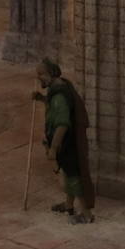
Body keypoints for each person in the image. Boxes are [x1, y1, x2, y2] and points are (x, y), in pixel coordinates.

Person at [32, 58, 94, 224]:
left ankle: (87, 214)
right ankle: (68, 205)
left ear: (52, 73)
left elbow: (62, 124)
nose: (39, 78)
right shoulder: (59, 87)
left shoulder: (59, 96)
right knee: (67, 174)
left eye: (41, 74)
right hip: (66, 143)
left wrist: (53, 148)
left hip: (67, 144)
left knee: (73, 177)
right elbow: (55, 106)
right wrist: (41, 99)